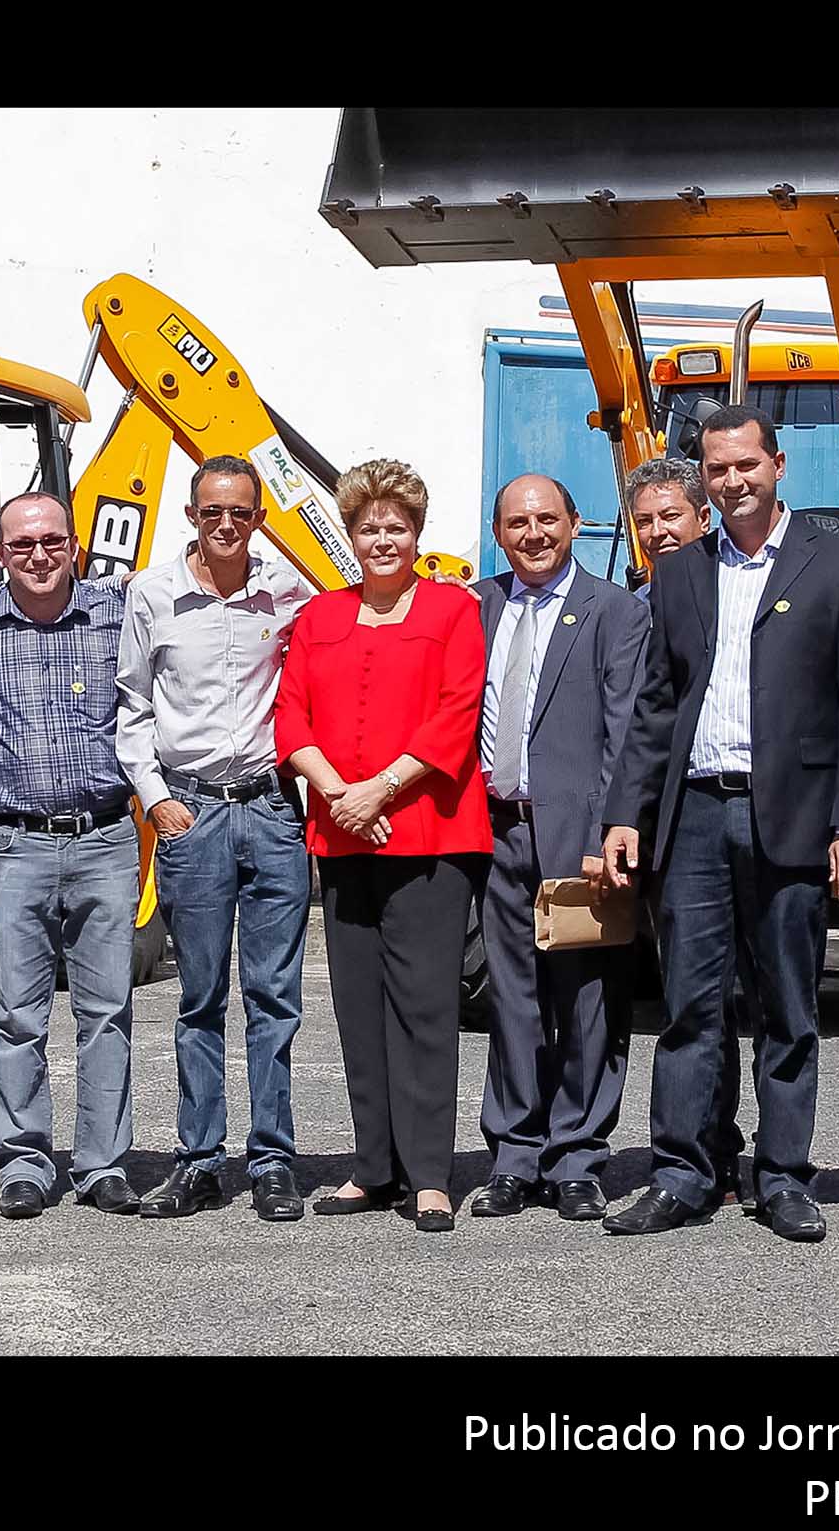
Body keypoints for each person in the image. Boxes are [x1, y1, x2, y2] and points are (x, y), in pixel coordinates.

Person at [592, 403, 839, 1245]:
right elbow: (654, 707)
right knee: (690, 1007)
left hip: (791, 815)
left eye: (745, 465)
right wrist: (626, 814)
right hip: (695, 819)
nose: (732, 481)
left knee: (788, 1005)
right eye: (717, 469)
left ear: (778, 465)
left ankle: (784, 1176)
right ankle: (684, 1172)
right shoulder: (680, 574)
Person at [277, 458, 491, 1234]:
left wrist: (379, 790)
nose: (382, 538)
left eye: (395, 526)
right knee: (357, 1009)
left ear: (416, 533)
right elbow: (290, 718)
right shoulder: (319, 618)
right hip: (343, 836)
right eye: (369, 526)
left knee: (427, 1008)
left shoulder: (452, 611)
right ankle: (373, 1167)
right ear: (350, 533)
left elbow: (455, 713)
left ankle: (430, 1175)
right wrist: (339, 792)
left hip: (428, 837)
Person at [116, 457, 314, 1222]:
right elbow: (130, 709)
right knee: (199, 997)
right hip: (191, 814)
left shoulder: (288, 593)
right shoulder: (152, 596)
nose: (225, 525)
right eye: (211, 513)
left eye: (239, 512)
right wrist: (158, 801)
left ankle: (271, 1161)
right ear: (192, 517)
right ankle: (200, 1160)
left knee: (275, 997)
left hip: (269, 812)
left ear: (259, 517)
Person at [469, 474, 649, 1221]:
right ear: (498, 531)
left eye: (548, 519)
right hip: (493, 829)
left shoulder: (613, 612)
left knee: (585, 999)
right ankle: (514, 1154)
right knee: (507, 998)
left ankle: (577, 1153)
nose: (533, 534)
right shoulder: (477, 606)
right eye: (517, 522)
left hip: (575, 836)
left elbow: (625, 730)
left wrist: (608, 827)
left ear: (576, 525)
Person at [0, 492, 142, 1219]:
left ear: (76, 547)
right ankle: (25, 1161)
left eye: (53, 542)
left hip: (104, 837)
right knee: (18, 1015)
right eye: (22, 544)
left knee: (107, 1013)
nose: (39, 556)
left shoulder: (116, 614)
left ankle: (102, 1164)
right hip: (12, 841)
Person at [625, 456, 750, 1201]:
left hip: (727, 806)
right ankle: (698, 1150)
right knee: (692, 997)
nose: (657, 531)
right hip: (661, 819)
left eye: (670, 515)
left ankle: (735, 1151)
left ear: (704, 518)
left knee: (753, 997)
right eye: (644, 520)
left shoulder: (720, 590)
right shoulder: (632, 600)